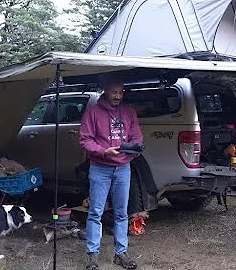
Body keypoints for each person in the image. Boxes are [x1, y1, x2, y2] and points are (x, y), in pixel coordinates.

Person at [79, 78, 143, 270]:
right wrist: (103, 151)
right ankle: (92, 255)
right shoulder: (93, 113)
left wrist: (134, 149)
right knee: (95, 212)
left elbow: (137, 137)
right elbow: (85, 140)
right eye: (114, 92)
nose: (118, 96)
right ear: (105, 91)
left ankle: (120, 253)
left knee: (122, 213)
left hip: (123, 168)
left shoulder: (129, 112)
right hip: (100, 168)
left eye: (121, 93)